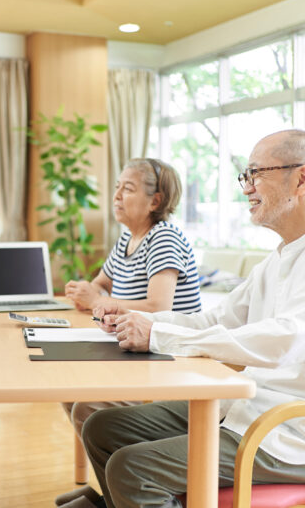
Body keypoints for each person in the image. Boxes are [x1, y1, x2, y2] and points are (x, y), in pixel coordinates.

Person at [60, 129, 305, 508]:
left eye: (256, 173)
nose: (246, 187)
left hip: (289, 433)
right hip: (245, 408)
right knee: (101, 427)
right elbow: (216, 319)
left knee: (132, 468)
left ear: (302, 178)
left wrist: (160, 336)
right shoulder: (275, 261)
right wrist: (147, 326)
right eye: (245, 176)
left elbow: (288, 340)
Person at [61, 158, 201, 438]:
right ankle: (105, 482)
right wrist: (89, 294)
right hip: (135, 350)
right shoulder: (127, 239)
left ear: (155, 201)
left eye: (127, 188)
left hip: (169, 357)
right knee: (69, 390)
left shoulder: (163, 238)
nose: (116, 196)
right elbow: (100, 285)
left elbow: (158, 306)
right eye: (117, 187)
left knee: (86, 407)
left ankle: (117, 478)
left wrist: (97, 301)